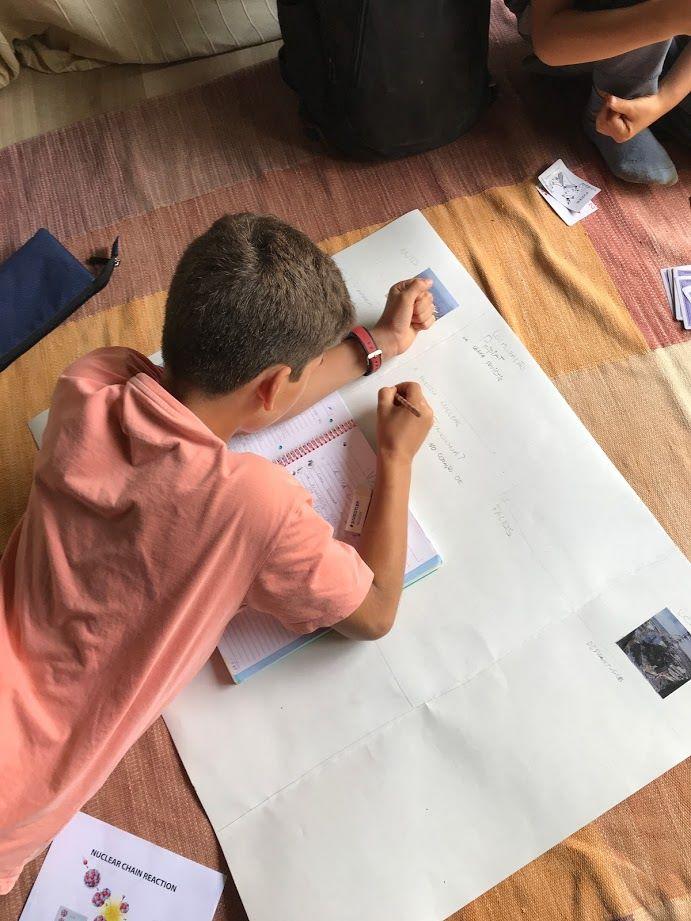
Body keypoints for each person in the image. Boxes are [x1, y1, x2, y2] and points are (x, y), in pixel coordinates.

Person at [0, 213, 436, 892]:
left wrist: (377, 343)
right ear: (271, 386)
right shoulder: (251, 506)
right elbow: (375, 608)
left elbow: (231, 400)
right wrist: (394, 455)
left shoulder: (92, 379)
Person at [508, 0, 691, 184]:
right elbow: (548, 42)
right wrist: (666, 19)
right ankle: (619, 106)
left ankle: (648, 81)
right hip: (562, 30)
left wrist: (663, 101)